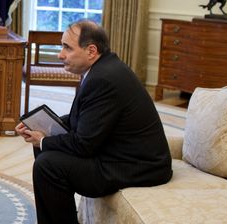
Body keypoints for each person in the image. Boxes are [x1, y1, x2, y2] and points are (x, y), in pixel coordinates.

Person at [15, 20, 172, 224]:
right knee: (47, 152)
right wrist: (42, 127)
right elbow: (80, 120)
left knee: (48, 164)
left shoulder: (103, 79)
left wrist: (43, 140)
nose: (60, 54)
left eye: (67, 48)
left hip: (136, 166)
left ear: (91, 51)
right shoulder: (100, 69)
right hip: (119, 152)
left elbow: (84, 144)